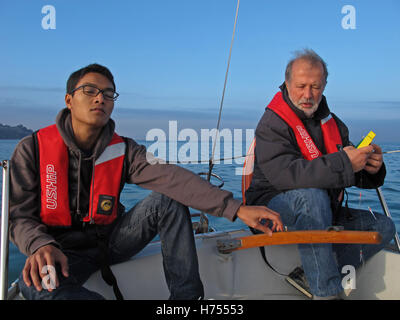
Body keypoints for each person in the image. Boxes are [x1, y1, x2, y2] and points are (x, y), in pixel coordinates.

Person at [9, 63, 283, 300]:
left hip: (112, 242)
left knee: (167, 200)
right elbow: (18, 216)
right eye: (90, 91)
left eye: (108, 94)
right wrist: (39, 244)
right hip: (60, 252)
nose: (100, 99)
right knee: (34, 285)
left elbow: (171, 178)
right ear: (69, 100)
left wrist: (236, 209)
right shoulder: (32, 149)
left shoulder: (126, 150)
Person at [245, 49, 396, 299]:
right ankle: (327, 292)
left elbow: (347, 172)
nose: (307, 94)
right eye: (301, 85)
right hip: (272, 208)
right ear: (287, 84)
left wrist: (372, 169)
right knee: (311, 196)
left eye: (315, 86)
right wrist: (344, 162)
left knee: (383, 226)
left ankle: (308, 275)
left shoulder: (334, 123)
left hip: (324, 208)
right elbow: (286, 176)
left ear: (324, 86)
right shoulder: (272, 123)